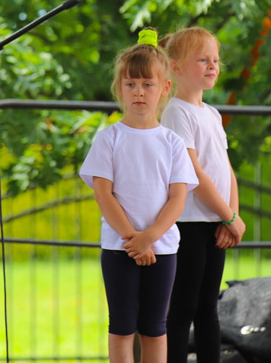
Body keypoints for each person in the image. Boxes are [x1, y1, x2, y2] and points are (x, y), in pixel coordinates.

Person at [79, 28, 198, 363]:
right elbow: (103, 194)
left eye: (147, 84)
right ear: (120, 89)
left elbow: (177, 199)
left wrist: (150, 238)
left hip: (162, 249)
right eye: (130, 84)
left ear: (165, 88)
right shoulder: (108, 139)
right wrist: (134, 239)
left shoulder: (172, 143)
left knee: (155, 328)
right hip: (120, 249)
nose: (139, 92)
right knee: (121, 327)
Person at [161, 27, 246, 363]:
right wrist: (226, 215)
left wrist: (232, 216)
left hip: (216, 221)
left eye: (215, 60)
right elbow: (194, 174)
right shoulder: (176, 112)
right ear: (176, 67)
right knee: (184, 307)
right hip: (191, 222)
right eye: (202, 60)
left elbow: (225, 168)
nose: (212, 66)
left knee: (209, 308)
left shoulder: (210, 113)